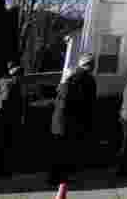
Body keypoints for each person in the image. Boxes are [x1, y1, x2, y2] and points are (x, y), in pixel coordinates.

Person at [48, 53, 97, 187]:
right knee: (66, 152)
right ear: (90, 65)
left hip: (60, 120)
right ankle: (60, 178)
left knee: (58, 151)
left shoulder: (70, 78)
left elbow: (61, 97)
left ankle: (55, 177)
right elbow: (86, 103)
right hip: (71, 121)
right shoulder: (86, 79)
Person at [0, 62, 24, 176]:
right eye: (18, 73)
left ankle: (0, 169)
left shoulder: (3, 81)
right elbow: (12, 101)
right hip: (9, 118)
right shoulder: (13, 83)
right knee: (6, 145)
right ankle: (3, 170)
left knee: (2, 144)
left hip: (2, 117)